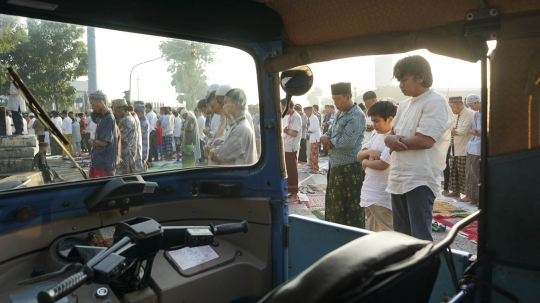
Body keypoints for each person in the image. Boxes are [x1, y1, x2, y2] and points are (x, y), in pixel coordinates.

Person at [384, 55, 454, 241]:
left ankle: (424, 271)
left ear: (420, 77)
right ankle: (406, 271)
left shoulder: (435, 101)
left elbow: (425, 141)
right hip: (399, 176)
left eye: (404, 79)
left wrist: (392, 141)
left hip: (419, 178)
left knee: (419, 238)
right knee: (401, 238)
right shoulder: (405, 105)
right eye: (399, 80)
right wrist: (389, 139)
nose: (400, 85)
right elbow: (391, 133)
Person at [320, 82, 366, 228]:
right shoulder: (340, 113)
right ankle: (336, 235)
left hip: (349, 168)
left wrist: (327, 141)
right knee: (336, 205)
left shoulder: (356, 115)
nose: (335, 103)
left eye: (338, 99)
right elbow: (330, 132)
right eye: (333, 99)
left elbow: (347, 142)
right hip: (336, 165)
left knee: (351, 206)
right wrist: (324, 137)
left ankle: (352, 240)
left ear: (348, 96)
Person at [357, 101, 396, 232]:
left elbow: (382, 164)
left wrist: (365, 163)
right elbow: (359, 154)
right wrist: (369, 152)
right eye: (372, 121)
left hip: (381, 195)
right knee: (375, 233)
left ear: (390, 119)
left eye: (377, 121)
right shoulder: (377, 135)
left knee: (390, 233)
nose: (374, 125)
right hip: (369, 193)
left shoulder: (393, 138)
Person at [212, 88, 257, 165]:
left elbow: (221, 154)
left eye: (226, 103)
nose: (223, 107)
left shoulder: (241, 129)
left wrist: (212, 151)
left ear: (237, 104)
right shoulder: (237, 124)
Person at [444, 96, 475, 200]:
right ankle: (456, 191)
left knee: (464, 173)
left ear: (460, 105)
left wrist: (452, 131)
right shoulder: (455, 115)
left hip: (464, 149)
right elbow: (449, 128)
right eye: (450, 107)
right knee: (454, 171)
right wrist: (451, 131)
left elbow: (464, 130)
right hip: (454, 148)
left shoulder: (470, 114)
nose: (451, 109)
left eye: (453, 107)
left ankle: (468, 194)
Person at [87, 91, 119, 178]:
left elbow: (104, 142)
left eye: (93, 104)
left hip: (104, 163)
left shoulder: (108, 119)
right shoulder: (103, 118)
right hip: (99, 161)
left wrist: (92, 141)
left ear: (101, 102)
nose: (92, 107)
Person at [113, 99, 144, 175]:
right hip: (125, 156)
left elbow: (118, 137)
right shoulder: (124, 119)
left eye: (115, 110)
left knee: (128, 180)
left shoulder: (127, 120)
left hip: (128, 157)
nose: (114, 112)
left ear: (121, 109)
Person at [280, 98, 301, 202]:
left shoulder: (296, 117)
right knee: (288, 169)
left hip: (291, 147)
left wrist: (285, 130)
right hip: (287, 146)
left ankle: (294, 193)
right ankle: (291, 190)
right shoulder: (289, 116)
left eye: (283, 107)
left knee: (292, 170)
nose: (282, 109)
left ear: (288, 106)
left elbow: (294, 133)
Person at [464, 94, 482, 205]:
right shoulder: (476, 114)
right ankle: (473, 197)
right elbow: (474, 128)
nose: (471, 108)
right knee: (470, 172)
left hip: (480, 147)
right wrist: (473, 131)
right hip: (472, 146)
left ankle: (478, 198)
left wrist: (480, 132)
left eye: (472, 105)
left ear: (477, 102)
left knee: (477, 172)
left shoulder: (488, 114)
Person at [5, 71, 26, 136]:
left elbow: (18, 91)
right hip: (14, 103)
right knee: (15, 117)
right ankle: (17, 130)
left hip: (17, 102)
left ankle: (20, 131)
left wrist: (10, 92)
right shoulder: (13, 82)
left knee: (18, 117)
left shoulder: (18, 81)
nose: (8, 77)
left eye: (9, 75)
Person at [305, 106, 321, 172]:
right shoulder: (311, 118)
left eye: (306, 112)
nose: (306, 114)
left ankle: (315, 167)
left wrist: (308, 129)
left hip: (315, 138)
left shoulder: (313, 118)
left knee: (314, 153)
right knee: (312, 153)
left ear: (309, 111)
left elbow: (313, 129)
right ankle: (312, 166)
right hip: (313, 138)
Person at [135, 103, 149, 171]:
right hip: (143, 151)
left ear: (139, 113)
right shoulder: (143, 121)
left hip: (142, 152)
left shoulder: (142, 124)